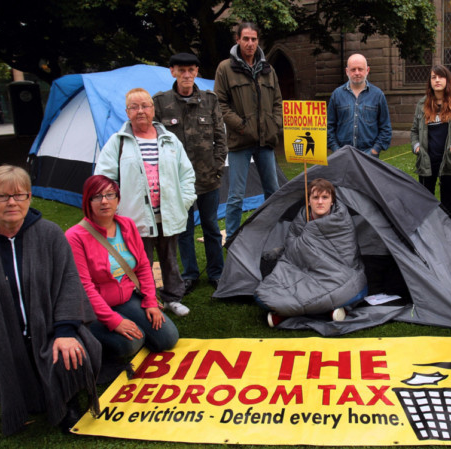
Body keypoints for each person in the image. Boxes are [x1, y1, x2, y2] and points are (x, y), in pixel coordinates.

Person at [0, 165, 100, 435]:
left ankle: (66, 402)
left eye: (19, 195)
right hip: (3, 338)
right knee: (24, 387)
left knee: (74, 350)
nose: (11, 203)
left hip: (51, 332)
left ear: (29, 198)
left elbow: (68, 281)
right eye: (2, 196)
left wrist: (65, 331)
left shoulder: (50, 235)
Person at [95, 88, 196, 317]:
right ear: (127, 112)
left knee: (170, 258)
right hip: (135, 216)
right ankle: (146, 301)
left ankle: (173, 298)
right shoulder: (118, 142)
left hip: (168, 213)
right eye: (134, 107)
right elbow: (104, 178)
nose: (140, 111)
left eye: (145, 106)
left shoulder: (170, 140)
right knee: (140, 262)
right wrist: (117, 210)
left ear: (153, 109)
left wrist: (185, 202)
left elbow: (187, 175)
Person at [66, 175, 179, 365]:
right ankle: (86, 332)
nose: (104, 201)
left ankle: (134, 329)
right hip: (94, 307)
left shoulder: (126, 225)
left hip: (125, 298)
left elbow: (143, 266)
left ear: (118, 199)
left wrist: (151, 301)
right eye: (97, 196)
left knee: (168, 339)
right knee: (131, 344)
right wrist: (114, 321)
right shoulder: (75, 237)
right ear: (87, 201)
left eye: (110, 195)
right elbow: (84, 287)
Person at [153, 52, 227, 292]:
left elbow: (220, 136)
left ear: (196, 72)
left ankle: (217, 273)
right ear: (172, 71)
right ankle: (189, 274)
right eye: (181, 70)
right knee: (183, 230)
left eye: (191, 70)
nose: (187, 75)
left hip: (208, 178)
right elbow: (155, 140)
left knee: (211, 227)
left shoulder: (210, 99)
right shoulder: (160, 102)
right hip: (176, 181)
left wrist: (217, 166)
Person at [255, 178, 367, 327]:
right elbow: (291, 247)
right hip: (300, 270)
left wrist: (308, 238)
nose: (320, 202)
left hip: (335, 271)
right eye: (315, 197)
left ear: (332, 201)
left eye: (325, 197)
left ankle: (287, 313)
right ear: (308, 201)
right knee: (271, 291)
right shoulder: (302, 217)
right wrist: (305, 243)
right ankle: (328, 310)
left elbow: (346, 255)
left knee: (350, 286)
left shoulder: (341, 220)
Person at [214, 21, 282, 239]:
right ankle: (232, 239)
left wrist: (275, 125)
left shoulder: (267, 69)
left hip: (266, 141)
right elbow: (220, 103)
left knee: (273, 191)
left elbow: (278, 102)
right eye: (246, 39)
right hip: (240, 141)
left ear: (258, 41)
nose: (250, 43)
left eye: (254, 39)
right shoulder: (225, 68)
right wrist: (241, 126)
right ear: (238, 40)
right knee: (235, 195)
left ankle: (274, 232)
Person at [410, 64, 451, 221]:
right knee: (425, 201)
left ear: (447, 80)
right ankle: (427, 233)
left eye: (440, 77)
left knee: (447, 202)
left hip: (449, 160)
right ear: (430, 81)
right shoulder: (422, 103)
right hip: (426, 159)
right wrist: (416, 147)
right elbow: (414, 131)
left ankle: (448, 235)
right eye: (433, 77)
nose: (437, 80)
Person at [328, 53, 392, 157]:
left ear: (367, 70)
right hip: (342, 156)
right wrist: (336, 150)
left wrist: (374, 151)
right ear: (347, 71)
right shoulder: (337, 95)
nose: (357, 73)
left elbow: (385, 128)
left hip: (369, 157)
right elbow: (329, 126)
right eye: (353, 69)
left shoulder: (378, 95)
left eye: (360, 69)